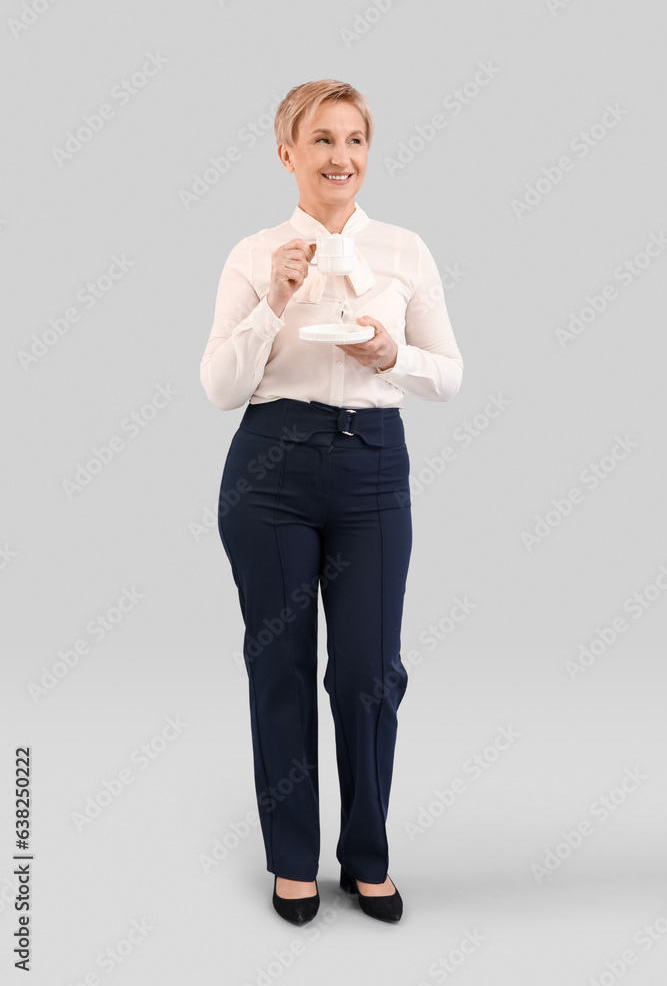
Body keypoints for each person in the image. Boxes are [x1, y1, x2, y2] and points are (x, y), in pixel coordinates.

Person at [200, 79, 463, 925]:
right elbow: (218, 387)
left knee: (367, 674)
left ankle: (367, 856)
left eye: (353, 140)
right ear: (287, 154)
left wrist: (392, 356)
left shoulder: (404, 251)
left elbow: (449, 375)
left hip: (371, 469)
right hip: (270, 469)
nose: (339, 157)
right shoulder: (252, 254)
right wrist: (273, 301)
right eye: (320, 140)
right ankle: (291, 861)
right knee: (276, 667)